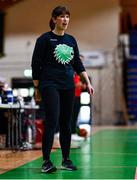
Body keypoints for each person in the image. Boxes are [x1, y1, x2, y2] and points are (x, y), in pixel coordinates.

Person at [31, 6, 94, 174]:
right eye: (61, 17)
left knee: (66, 123)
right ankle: (46, 161)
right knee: (52, 120)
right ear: (54, 19)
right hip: (49, 84)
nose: (65, 20)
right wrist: (36, 87)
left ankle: (66, 159)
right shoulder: (44, 39)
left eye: (67, 17)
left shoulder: (71, 40)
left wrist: (87, 82)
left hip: (68, 85)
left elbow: (78, 64)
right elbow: (35, 65)